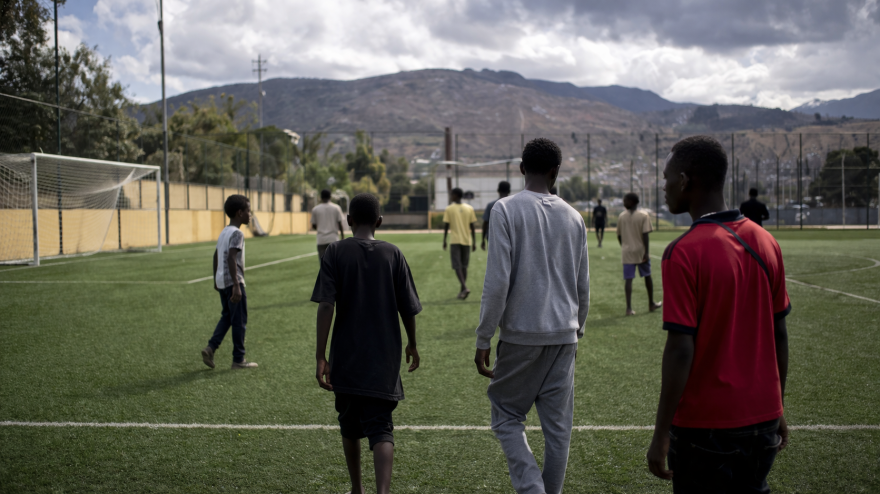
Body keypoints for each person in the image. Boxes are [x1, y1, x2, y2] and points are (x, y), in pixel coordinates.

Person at [647, 135, 791, 493]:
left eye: (666, 177)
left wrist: (661, 432)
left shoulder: (682, 252)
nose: (663, 186)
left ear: (684, 180)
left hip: (705, 425)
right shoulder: (766, 241)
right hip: (763, 419)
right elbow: (780, 334)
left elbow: (681, 348)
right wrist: (778, 406)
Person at [474, 138, 590, 494]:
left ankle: (531, 488)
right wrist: (577, 331)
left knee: (506, 415)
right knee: (559, 432)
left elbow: (497, 283)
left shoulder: (505, 210)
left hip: (521, 335)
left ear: (522, 168)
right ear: (556, 172)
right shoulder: (574, 217)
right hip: (563, 336)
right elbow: (583, 287)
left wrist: (484, 337)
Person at [312, 193, 422, 494]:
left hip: (345, 357)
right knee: (381, 428)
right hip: (384, 359)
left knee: (348, 425)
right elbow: (408, 307)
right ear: (380, 221)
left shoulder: (334, 252)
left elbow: (325, 305)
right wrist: (412, 343)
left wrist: (321, 356)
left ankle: (357, 489)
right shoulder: (393, 253)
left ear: (347, 221)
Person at [201, 195, 258, 370]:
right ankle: (239, 360)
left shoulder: (224, 232)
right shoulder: (237, 233)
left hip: (222, 281)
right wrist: (235, 284)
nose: (250, 214)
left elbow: (216, 256)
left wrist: (216, 279)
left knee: (227, 316)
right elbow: (231, 257)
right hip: (234, 283)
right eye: (248, 210)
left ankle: (210, 348)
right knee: (239, 320)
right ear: (239, 213)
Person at [617, 193, 661, 316]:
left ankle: (629, 308)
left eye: (625, 200)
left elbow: (619, 236)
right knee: (647, 276)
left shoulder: (621, 216)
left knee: (629, 280)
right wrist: (646, 252)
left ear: (632, 202)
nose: (623, 202)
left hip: (627, 252)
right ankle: (651, 303)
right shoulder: (644, 215)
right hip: (641, 252)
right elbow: (645, 235)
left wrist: (624, 246)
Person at [442, 187, 477, 299]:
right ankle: (462, 291)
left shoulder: (449, 209)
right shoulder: (469, 208)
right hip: (467, 241)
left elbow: (446, 226)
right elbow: (472, 226)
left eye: (452, 194)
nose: (451, 196)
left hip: (455, 241)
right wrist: (475, 242)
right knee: (464, 266)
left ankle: (464, 288)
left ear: (456, 195)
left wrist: (444, 240)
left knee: (457, 266)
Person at [311, 189, 345, 259]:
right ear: (330, 196)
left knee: (323, 265)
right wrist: (342, 238)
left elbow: (314, 225)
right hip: (333, 239)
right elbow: (340, 224)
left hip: (321, 239)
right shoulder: (336, 208)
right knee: (335, 264)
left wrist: (321, 227)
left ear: (321, 197)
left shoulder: (315, 209)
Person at [481, 180, 511, 251]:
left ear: (498, 190)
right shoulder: (514, 205)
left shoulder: (491, 205)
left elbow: (485, 223)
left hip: (493, 238)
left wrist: (483, 240)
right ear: (509, 191)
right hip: (510, 237)